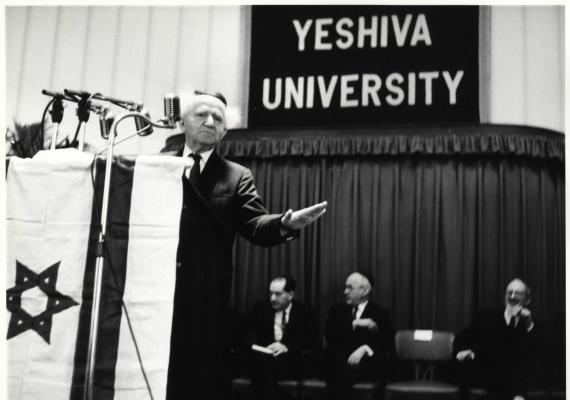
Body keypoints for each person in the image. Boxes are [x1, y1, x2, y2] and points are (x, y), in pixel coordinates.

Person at [165, 90, 327, 400]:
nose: (211, 121)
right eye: (202, 115)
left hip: (206, 298)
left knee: (198, 382)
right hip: (157, 293)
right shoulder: (156, 166)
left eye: (218, 119)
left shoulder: (237, 176)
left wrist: (284, 223)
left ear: (225, 131)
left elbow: (255, 226)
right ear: (182, 122)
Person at [455, 278, 544, 400]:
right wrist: (467, 350)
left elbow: (540, 352)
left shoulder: (533, 324)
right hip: (487, 375)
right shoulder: (485, 318)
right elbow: (461, 338)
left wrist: (529, 324)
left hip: (520, 378)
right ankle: (517, 395)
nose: (512, 297)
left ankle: (518, 394)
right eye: (509, 292)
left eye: (518, 293)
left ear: (527, 300)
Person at [325, 272, 394, 400]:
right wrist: (355, 322)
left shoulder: (381, 314)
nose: (345, 291)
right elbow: (331, 337)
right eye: (345, 287)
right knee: (335, 364)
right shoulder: (336, 311)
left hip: (367, 364)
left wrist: (364, 349)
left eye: (350, 288)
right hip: (339, 363)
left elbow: (387, 345)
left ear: (365, 291)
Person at [247, 276, 318, 400]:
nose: (272, 298)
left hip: (291, 362)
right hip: (263, 360)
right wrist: (262, 349)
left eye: (278, 294)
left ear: (290, 295)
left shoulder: (305, 312)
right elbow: (249, 335)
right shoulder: (260, 309)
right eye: (271, 293)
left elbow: (312, 342)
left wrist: (286, 347)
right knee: (263, 365)